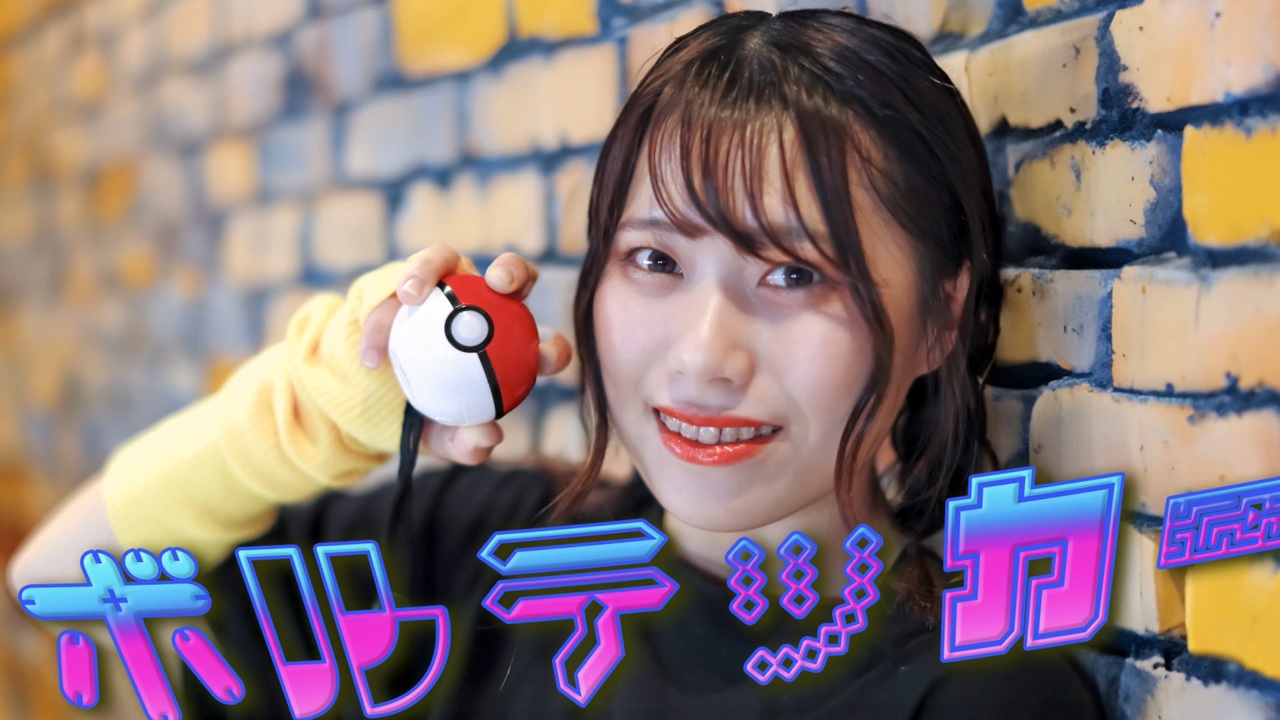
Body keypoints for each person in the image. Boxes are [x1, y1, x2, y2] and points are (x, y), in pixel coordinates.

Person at [9, 8, 1108, 719]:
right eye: (654, 260)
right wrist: (310, 409)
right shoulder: (482, 558)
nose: (703, 356)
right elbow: (54, 580)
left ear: (939, 319)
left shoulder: (970, 693)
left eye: (792, 275)